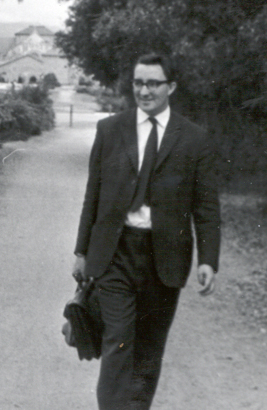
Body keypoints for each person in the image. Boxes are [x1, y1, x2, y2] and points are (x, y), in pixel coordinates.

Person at [72, 52, 220, 410]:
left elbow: (206, 206)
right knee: (118, 345)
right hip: (116, 253)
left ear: (171, 87)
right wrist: (81, 251)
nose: (144, 90)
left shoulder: (195, 139)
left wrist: (208, 260)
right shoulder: (110, 130)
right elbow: (93, 194)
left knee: (149, 353)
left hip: (164, 258)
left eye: (153, 83)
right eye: (138, 82)